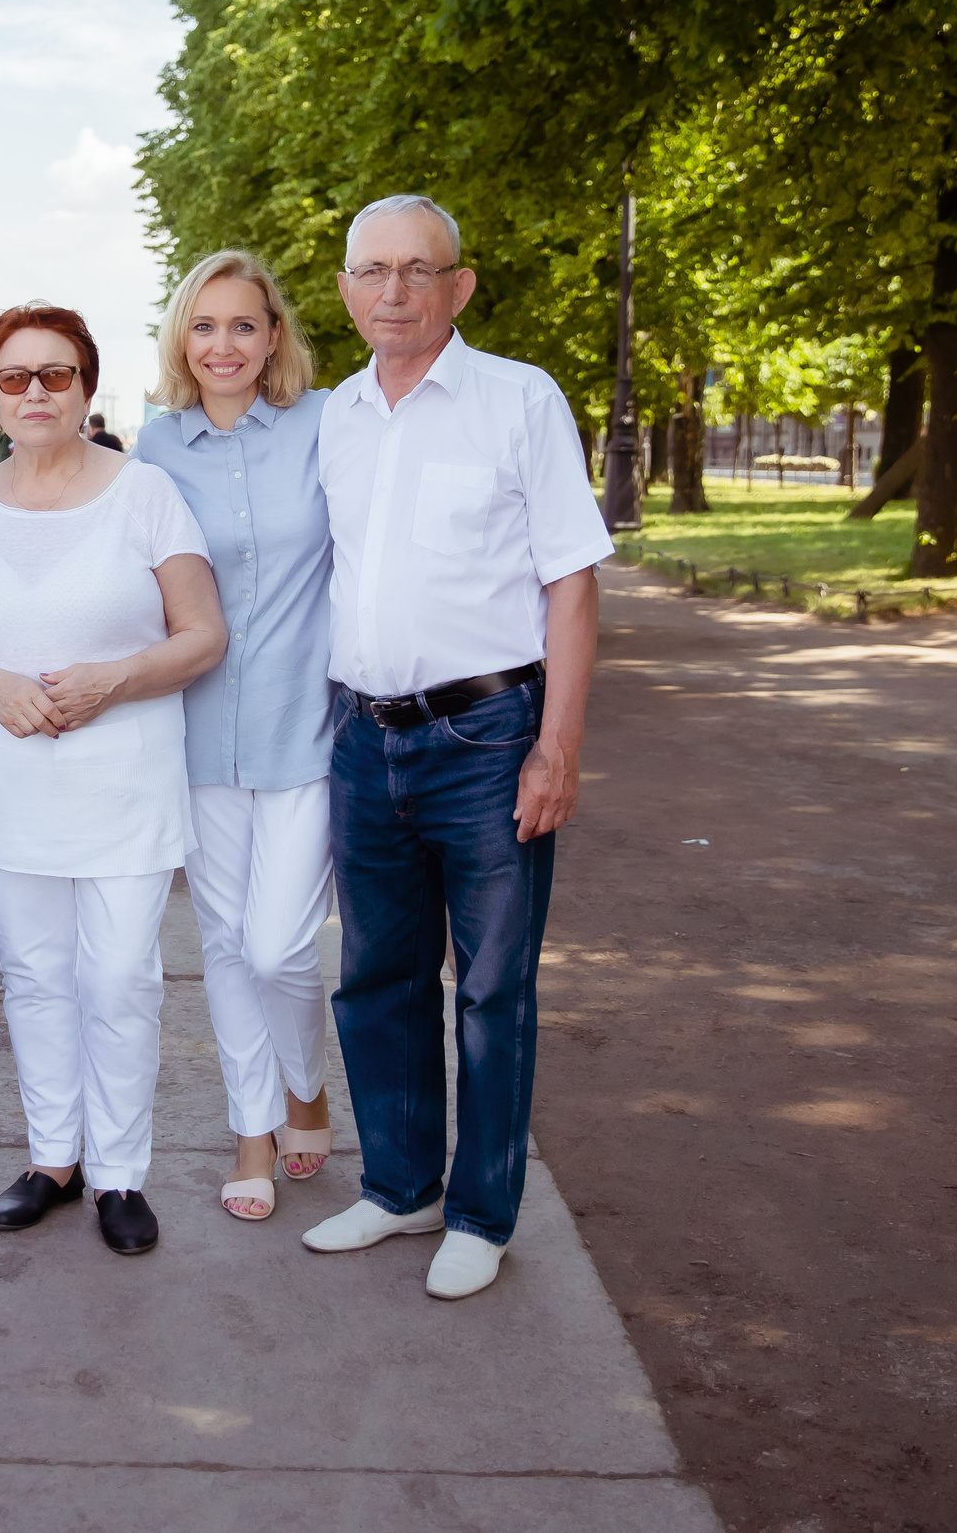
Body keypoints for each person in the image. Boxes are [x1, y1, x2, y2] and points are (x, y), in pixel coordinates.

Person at [298, 195, 609, 1301]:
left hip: (486, 735)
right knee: (375, 977)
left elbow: (570, 583)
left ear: (458, 287)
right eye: (372, 270)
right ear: (343, 288)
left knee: (488, 990)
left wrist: (556, 748)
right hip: (361, 736)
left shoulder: (518, 401)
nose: (394, 291)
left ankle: (480, 1212)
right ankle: (398, 1190)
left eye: (418, 271)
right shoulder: (331, 414)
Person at [0, 303, 226, 1255]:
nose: (36, 392)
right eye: (15, 377)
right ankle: (54, 1156)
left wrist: (111, 679)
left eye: (57, 375)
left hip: (125, 781)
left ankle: (121, 1172)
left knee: (121, 977)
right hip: (12, 788)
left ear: (87, 388)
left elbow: (203, 635)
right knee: (35, 976)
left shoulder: (148, 493)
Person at [134, 251, 335, 1223]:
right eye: (204, 326)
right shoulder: (155, 446)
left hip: (309, 728)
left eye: (243, 326)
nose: (224, 345)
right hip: (199, 735)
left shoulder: (326, 424)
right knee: (222, 942)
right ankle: (254, 1126)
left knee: (281, 950)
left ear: (273, 336)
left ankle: (306, 1082)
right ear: (182, 338)